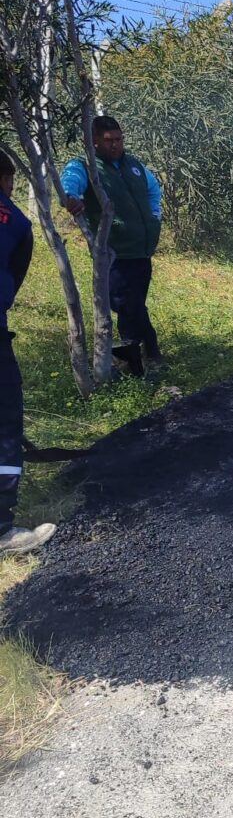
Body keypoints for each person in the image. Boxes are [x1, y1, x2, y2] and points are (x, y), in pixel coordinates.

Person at [60, 117, 163, 376]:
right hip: (114, 252)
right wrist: (72, 198)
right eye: (108, 140)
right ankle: (140, 357)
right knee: (126, 304)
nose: (115, 145)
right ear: (94, 141)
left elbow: (153, 190)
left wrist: (154, 216)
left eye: (118, 139)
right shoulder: (85, 166)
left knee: (136, 303)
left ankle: (142, 353)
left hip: (141, 250)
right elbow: (69, 184)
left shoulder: (135, 166)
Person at [0, 147, 55, 555]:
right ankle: (2, 527)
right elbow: (14, 277)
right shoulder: (14, 219)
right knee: (4, 424)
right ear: (6, 179)